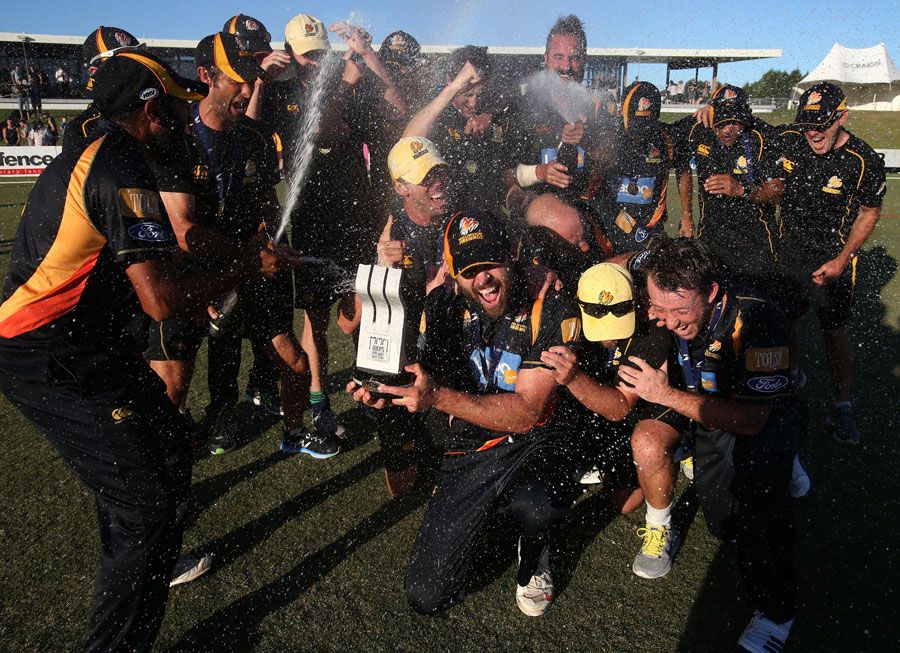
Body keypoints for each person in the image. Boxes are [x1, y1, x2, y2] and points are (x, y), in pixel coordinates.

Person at [0, 51, 259, 652]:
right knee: (143, 501)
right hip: (47, 353)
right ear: (148, 108)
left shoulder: (106, 149)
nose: (179, 111)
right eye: (171, 100)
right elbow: (160, 300)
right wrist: (245, 265)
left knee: (166, 446)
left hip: (88, 342)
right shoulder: (117, 161)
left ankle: (144, 553)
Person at [351, 209, 584, 617]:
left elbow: (528, 412)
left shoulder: (550, 304)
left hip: (534, 442)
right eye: (469, 270)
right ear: (452, 273)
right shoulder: (442, 304)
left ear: (511, 254)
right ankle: (493, 516)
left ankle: (535, 544)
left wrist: (437, 397)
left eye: (491, 263)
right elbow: (420, 377)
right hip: (473, 444)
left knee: (536, 504)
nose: (484, 280)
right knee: (428, 596)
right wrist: (386, 394)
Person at [618, 236, 805, 653]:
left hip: (759, 415)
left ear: (712, 292)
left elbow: (752, 421)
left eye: (679, 310)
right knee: (722, 522)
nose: (665, 320)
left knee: (753, 503)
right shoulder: (660, 281)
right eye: (658, 307)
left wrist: (663, 394)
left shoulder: (758, 320)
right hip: (708, 404)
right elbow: (630, 261)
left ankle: (777, 612)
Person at [144, 32, 321, 458]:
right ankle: (159, 478)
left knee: (295, 362)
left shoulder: (256, 138)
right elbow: (183, 230)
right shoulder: (176, 136)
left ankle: (294, 433)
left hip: (249, 267)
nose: (249, 88)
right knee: (170, 391)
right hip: (189, 278)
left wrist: (277, 243)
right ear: (205, 75)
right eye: (237, 78)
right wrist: (248, 259)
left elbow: (266, 204)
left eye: (253, 77)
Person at [541, 260, 690, 575]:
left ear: (637, 303)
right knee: (619, 497)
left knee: (648, 446)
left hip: (650, 402)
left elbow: (621, 405)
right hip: (603, 402)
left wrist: (573, 379)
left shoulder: (652, 324)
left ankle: (660, 526)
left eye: (618, 320)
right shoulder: (567, 306)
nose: (609, 336)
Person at [776, 82, 886, 444]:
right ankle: (791, 377)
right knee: (786, 321)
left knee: (834, 333)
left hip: (832, 258)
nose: (813, 132)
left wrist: (843, 259)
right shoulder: (792, 138)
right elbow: (749, 129)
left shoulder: (863, 160)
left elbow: (870, 211)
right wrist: (708, 112)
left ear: (842, 116)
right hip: (789, 253)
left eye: (821, 123)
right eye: (808, 123)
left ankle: (841, 406)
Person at [674, 85, 786, 304]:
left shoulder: (763, 136)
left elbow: (777, 191)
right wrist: (686, 217)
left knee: (755, 309)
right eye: (722, 122)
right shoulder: (699, 128)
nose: (728, 130)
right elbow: (683, 167)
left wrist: (741, 190)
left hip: (756, 242)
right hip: (712, 238)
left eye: (735, 122)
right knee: (714, 304)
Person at [403, 45, 515, 212]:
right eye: (467, 94)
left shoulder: (495, 109)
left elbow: (514, 101)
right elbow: (408, 140)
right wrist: (455, 86)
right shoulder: (437, 110)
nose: (474, 103)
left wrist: (490, 115)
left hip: (486, 209)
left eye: (480, 94)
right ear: (450, 80)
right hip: (447, 210)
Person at [505, 15, 597, 201]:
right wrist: (540, 172)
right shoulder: (524, 107)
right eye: (558, 57)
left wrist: (588, 140)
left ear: (584, 61)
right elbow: (503, 175)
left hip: (585, 216)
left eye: (574, 58)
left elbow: (611, 157)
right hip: (539, 221)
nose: (566, 66)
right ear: (546, 59)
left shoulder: (594, 107)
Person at [590, 82, 689, 252]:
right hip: (610, 229)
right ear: (623, 111)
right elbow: (591, 191)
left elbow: (684, 172)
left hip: (651, 229)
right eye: (636, 124)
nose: (640, 133)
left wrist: (686, 217)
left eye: (646, 125)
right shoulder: (607, 135)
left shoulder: (666, 138)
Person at [63, 26, 144, 155]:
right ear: (95, 72)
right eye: (123, 60)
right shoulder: (81, 128)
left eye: (138, 56)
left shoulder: (165, 108)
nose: (136, 65)